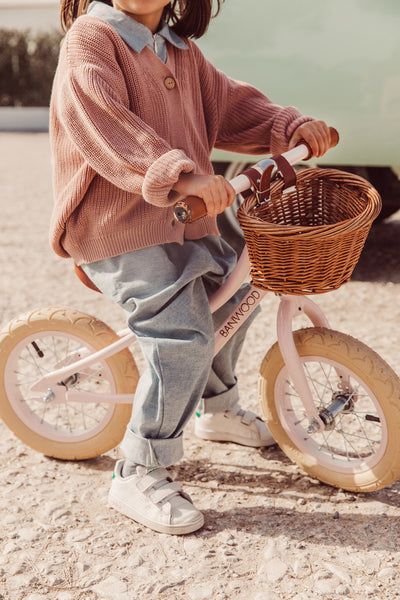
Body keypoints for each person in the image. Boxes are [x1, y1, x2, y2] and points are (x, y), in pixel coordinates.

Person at [50, 0, 332, 535]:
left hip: (187, 217)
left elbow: (229, 107)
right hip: (118, 227)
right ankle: (139, 467)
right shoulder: (91, 40)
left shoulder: (180, 50)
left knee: (237, 291)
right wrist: (181, 174)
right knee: (181, 333)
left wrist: (291, 126)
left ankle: (216, 407)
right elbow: (105, 123)